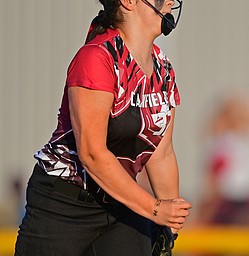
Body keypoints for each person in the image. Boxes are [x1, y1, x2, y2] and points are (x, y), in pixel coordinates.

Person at [14, 0, 191, 255]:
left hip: (121, 203)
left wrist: (169, 227)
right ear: (129, 2)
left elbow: (160, 154)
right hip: (64, 203)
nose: (171, 2)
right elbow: (92, 154)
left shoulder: (163, 69)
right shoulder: (97, 57)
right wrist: (154, 208)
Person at [197, 94, 249, 225]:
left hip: (242, 195)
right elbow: (215, 174)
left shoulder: (238, 139)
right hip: (230, 196)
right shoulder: (223, 142)